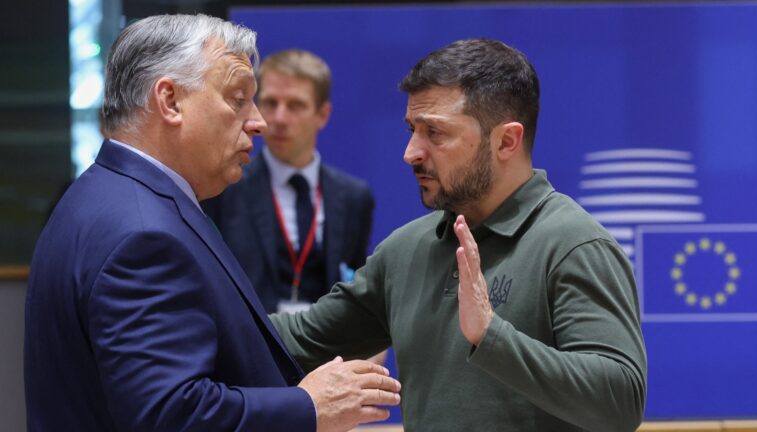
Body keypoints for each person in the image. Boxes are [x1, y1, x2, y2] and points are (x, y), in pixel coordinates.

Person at [24, 14, 399, 432]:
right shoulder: (143, 234)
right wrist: (308, 407)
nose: (259, 121)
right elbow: (171, 416)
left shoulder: (105, 194)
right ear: (169, 101)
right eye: (238, 99)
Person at [271, 38, 647, 431]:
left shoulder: (573, 245)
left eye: (434, 132)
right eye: (412, 129)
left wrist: (491, 336)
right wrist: (221, 305)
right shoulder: (404, 250)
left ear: (506, 141)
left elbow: (620, 401)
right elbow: (295, 341)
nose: (411, 152)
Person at [204, 49, 374, 315]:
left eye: (295, 106)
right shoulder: (225, 186)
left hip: (324, 338)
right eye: (270, 103)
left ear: (322, 115)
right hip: (250, 336)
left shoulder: (354, 197)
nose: (279, 119)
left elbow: (354, 292)